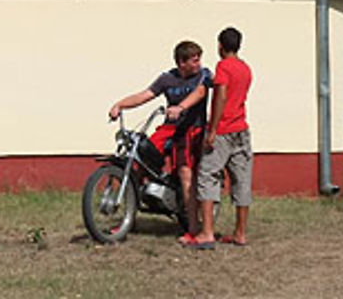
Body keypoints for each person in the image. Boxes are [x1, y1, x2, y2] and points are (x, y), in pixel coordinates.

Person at [108, 40, 213, 236]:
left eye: (198, 60)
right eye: (194, 60)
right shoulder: (167, 78)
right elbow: (145, 95)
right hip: (169, 128)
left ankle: (193, 227)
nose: (198, 64)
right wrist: (119, 105)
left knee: (185, 174)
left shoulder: (203, 75)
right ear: (181, 62)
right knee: (139, 159)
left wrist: (181, 107)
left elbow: (200, 93)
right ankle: (128, 219)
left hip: (193, 129)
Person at [171, 26, 253, 250]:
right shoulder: (245, 68)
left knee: (207, 176)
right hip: (242, 130)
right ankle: (240, 233)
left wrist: (213, 129)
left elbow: (222, 96)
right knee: (241, 180)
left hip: (224, 130)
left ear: (220, 46)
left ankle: (206, 233)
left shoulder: (223, 66)